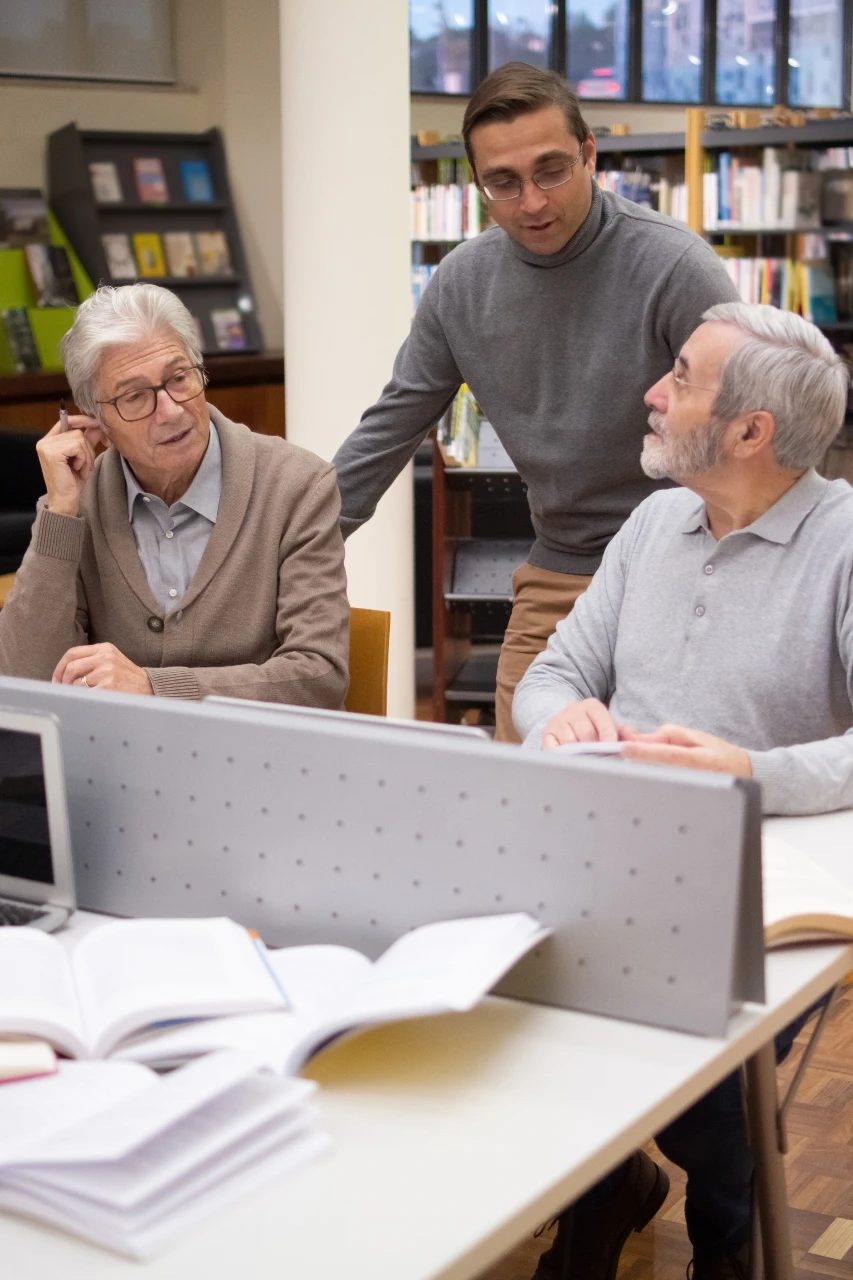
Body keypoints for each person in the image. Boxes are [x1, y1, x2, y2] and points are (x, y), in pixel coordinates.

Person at [513, 302, 851, 1280]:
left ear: (751, 430)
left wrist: (748, 773)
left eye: (682, 378)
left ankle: (726, 1224)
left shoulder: (842, 544)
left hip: (768, 878)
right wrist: (559, 717)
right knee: (523, 1004)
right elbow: (552, 671)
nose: (653, 394)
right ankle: (608, 1181)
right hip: (611, 857)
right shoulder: (654, 520)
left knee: (702, 1076)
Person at [333, 62, 738, 740]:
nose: (531, 202)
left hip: (689, 563)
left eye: (551, 170)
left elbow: (751, 429)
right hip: (562, 565)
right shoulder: (462, 284)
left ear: (588, 154)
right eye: (504, 182)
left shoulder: (675, 267)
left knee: (675, 790)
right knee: (527, 789)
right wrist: (287, 550)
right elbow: (389, 428)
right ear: (478, 185)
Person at [0, 283, 349, 706]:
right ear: (96, 421)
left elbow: (319, 675)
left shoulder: (297, 486)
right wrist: (59, 513)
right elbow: (23, 680)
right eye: (135, 396)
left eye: (179, 378)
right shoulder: (78, 503)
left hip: (255, 762)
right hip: (117, 764)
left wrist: (155, 688)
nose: (170, 410)